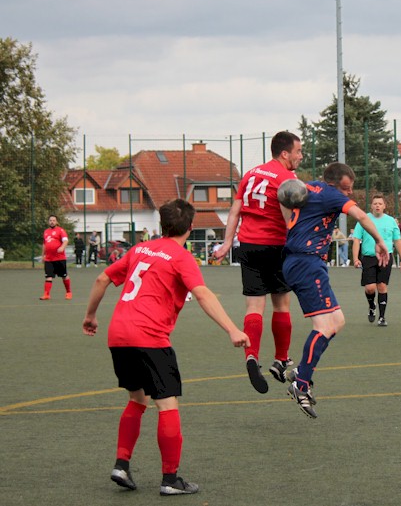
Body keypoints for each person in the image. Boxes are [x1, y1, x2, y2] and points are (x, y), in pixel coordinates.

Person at [82, 199, 250, 496]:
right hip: (149, 336)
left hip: (118, 335)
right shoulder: (181, 257)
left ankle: (121, 464)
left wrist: (91, 315)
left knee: (137, 399)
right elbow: (203, 295)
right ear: (191, 227)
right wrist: (232, 329)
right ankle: (170, 479)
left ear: (162, 224)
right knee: (167, 405)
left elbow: (102, 278)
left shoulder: (139, 249)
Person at [281, 163, 390, 418]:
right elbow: (362, 217)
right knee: (323, 326)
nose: (348, 193)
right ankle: (301, 383)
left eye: (350, 189)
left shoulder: (308, 188)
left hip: (303, 262)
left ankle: (301, 372)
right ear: (334, 183)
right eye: (346, 188)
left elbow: (285, 198)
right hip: (306, 262)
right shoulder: (329, 194)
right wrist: (381, 242)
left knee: (337, 321)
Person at [213, 130, 302, 393]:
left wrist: (227, 243)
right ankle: (281, 358)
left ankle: (251, 355)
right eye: (298, 151)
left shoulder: (250, 174)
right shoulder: (287, 178)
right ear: (284, 153)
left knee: (254, 305)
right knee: (282, 304)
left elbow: (235, 210)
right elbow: (289, 218)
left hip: (248, 246)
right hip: (275, 246)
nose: (300, 156)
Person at [352, 194, 401, 327]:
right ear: (371, 206)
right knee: (370, 288)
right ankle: (371, 306)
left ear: (384, 206)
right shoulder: (363, 219)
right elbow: (356, 240)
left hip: (385, 257)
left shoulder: (391, 221)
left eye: (380, 204)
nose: (377, 206)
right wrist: (355, 258)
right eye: (375, 203)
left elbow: (397, 240)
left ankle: (382, 317)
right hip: (369, 257)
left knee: (382, 286)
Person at [40, 215, 72, 300]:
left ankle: (68, 292)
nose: (52, 222)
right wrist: (43, 255)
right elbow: (44, 244)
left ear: (56, 222)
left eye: (54, 220)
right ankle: (46, 295)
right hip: (49, 259)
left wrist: (62, 247)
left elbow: (65, 241)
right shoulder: (46, 232)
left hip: (60, 258)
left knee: (64, 276)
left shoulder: (61, 230)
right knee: (48, 276)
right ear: (48, 222)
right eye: (50, 220)